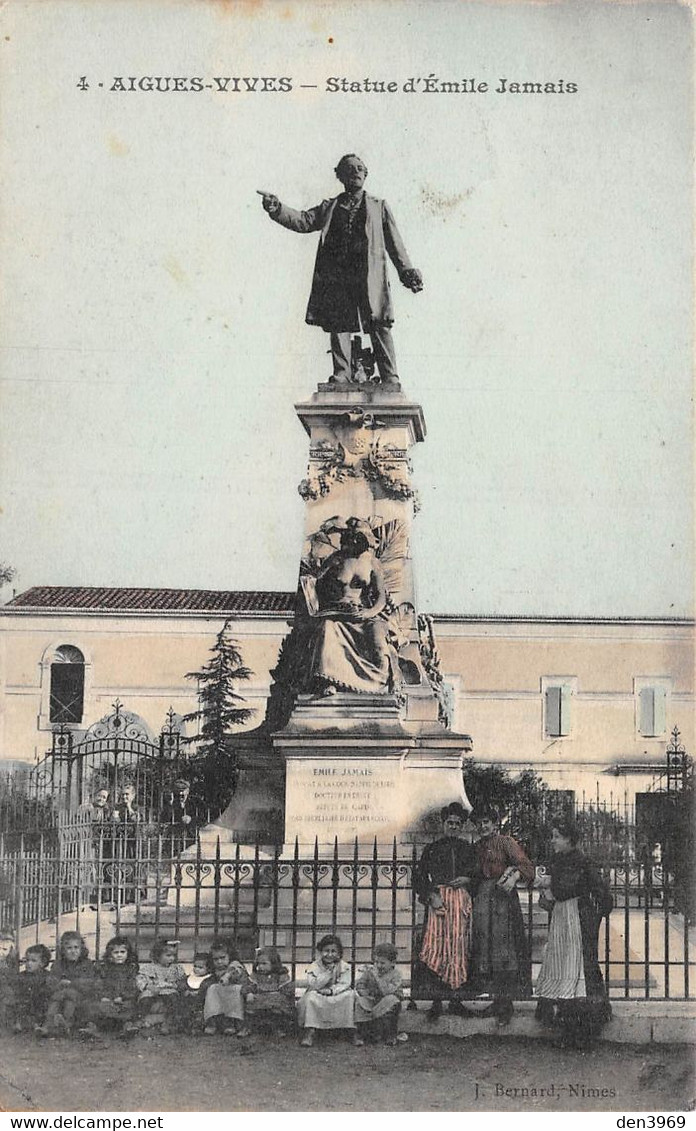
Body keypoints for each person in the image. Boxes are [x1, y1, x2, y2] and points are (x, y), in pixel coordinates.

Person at [260, 155, 423, 385]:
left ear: (365, 174)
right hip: (339, 275)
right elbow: (304, 220)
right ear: (340, 176)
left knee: (379, 323)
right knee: (339, 324)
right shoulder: (330, 207)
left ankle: (389, 375)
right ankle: (342, 373)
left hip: (369, 276)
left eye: (359, 169)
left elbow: (395, 244)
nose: (355, 172)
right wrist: (277, 209)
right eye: (349, 169)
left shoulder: (379, 207)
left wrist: (407, 271)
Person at [535, 818, 613, 1049]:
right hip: (563, 917)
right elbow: (555, 890)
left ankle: (584, 1032)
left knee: (579, 969)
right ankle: (568, 1029)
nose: (553, 840)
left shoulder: (581, 859)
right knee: (564, 967)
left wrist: (550, 883)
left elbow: (570, 889)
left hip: (578, 917)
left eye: (557, 836)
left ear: (569, 838)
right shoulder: (559, 859)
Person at [299, 521, 395, 696]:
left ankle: (378, 685)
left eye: (363, 539)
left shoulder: (373, 563)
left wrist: (369, 612)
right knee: (327, 628)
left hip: (363, 615)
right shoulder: (336, 559)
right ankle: (329, 680)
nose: (358, 543)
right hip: (337, 614)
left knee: (379, 643)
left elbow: (381, 597)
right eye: (355, 538)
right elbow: (315, 584)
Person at [470, 809, 535, 1026]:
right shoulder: (477, 847)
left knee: (505, 949)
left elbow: (526, 867)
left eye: (486, 822)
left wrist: (515, 875)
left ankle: (506, 1004)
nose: (482, 827)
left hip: (503, 900)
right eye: (479, 823)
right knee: (487, 949)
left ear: (495, 823)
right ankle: (496, 999)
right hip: (483, 899)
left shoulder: (506, 842)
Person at [414, 802, 477, 1020]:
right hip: (438, 902)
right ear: (443, 824)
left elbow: (478, 876)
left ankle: (456, 1000)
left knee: (458, 949)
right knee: (438, 948)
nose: (453, 827)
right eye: (449, 823)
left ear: (461, 827)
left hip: (460, 902)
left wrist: (468, 879)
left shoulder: (468, 849)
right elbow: (419, 877)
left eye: (457, 824)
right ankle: (436, 1000)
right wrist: (431, 896)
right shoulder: (431, 849)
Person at [297, 934, 357, 1047]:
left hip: (336, 994)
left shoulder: (344, 966)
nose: (329, 954)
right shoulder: (314, 966)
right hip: (319, 993)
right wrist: (328, 973)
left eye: (333, 951)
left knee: (350, 995)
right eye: (326, 951)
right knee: (310, 998)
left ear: (339, 953)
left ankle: (351, 1030)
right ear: (320, 952)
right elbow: (314, 984)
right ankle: (310, 1031)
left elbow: (345, 983)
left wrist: (331, 991)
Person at [43, 931, 97, 1035]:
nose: (73, 951)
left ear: (81, 949)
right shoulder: (58, 964)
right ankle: (47, 1025)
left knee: (70, 998)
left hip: (80, 996)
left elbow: (89, 983)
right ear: (63, 950)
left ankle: (66, 1023)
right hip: (60, 995)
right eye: (69, 948)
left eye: (76, 948)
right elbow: (52, 980)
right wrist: (59, 984)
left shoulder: (86, 964)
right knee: (55, 1001)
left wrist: (72, 983)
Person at [85, 935, 140, 1036]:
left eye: (122, 952)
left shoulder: (130, 969)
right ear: (110, 955)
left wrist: (122, 997)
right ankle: (92, 1028)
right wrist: (104, 997)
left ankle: (127, 1027)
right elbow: (98, 984)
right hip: (107, 1000)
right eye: (116, 952)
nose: (119, 955)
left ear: (128, 953)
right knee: (94, 1007)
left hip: (122, 1000)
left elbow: (132, 987)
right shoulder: (104, 969)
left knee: (130, 1007)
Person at [354, 942, 404, 1045]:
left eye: (382, 963)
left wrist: (377, 977)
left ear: (393, 963)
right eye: (376, 962)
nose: (378, 965)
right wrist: (364, 992)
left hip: (388, 1003)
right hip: (373, 1000)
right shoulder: (371, 971)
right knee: (360, 1002)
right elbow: (360, 984)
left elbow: (387, 991)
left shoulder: (396, 975)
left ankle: (390, 1035)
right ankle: (360, 1034)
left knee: (391, 1000)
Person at [199, 939, 251, 1037]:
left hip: (235, 990)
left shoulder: (234, 965)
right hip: (221, 992)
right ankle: (212, 1022)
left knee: (234, 992)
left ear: (230, 956)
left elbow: (235, 972)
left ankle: (231, 1023)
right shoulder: (216, 969)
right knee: (212, 989)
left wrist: (228, 975)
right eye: (216, 959)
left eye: (222, 958)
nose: (219, 962)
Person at [136, 938, 187, 1034]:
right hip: (152, 990)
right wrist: (148, 986)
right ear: (158, 955)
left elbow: (183, 981)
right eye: (168, 955)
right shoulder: (150, 968)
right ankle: (141, 1019)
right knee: (145, 1000)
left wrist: (179, 985)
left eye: (173, 956)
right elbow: (140, 979)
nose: (172, 958)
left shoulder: (176, 968)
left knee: (173, 1000)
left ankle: (168, 1022)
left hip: (169, 990)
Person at [245, 946, 296, 1035]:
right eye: (259, 964)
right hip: (260, 1001)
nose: (260, 967)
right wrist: (249, 993)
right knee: (252, 1002)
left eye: (264, 964)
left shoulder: (281, 975)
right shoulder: (256, 976)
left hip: (275, 1002)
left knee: (278, 1003)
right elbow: (248, 986)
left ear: (273, 963)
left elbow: (287, 990)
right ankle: (248, 1027)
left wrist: (278, 993)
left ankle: (278, 1028)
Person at [12, 944, 56, 1033]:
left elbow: (49, 990)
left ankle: (38, 1025)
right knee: (19, 1003)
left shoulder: (47, 976)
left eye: (33, 961)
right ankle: (18, 1023)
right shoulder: (22, 975)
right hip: (26, 1002)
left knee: (41, 1004)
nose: (28, 963)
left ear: (42, 963)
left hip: (40, 1002)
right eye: (27, 960)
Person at [0, 929, 18, 1030]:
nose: (1, 952)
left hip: (5, 986)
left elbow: (12, 977)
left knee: (8, 994)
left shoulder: (10, 962)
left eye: (5, 950)